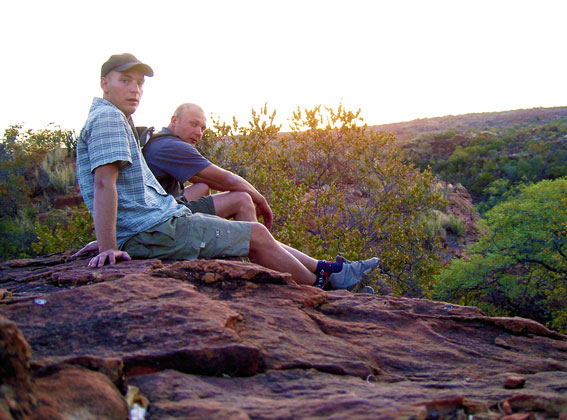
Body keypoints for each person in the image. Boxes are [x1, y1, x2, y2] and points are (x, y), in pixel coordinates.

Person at [75, 53, 379, 291]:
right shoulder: (110, 120)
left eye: (139, 83)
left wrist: (113, 236)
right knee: (257, 234)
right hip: (153, 231)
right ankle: (324, 287)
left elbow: (123, 188)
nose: (135, 89)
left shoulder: (112, 117)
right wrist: (110, 246)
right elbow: (104, 183)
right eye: (125, 81)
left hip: (155, 224)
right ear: (105, 83)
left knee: (254, 232)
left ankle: (326, 271)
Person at [142, 103, 273, 229]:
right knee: (242, 199)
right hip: (161, 219)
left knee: (202, 187)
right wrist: (261, 201)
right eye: (193, 124)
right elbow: (227, 179)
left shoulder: (159, 140)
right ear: (174, 120)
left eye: (202, 129)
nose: (199, 133)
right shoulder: (172, 146)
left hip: (158, 206)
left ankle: (213, 233)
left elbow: (202, 180)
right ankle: (254, 247)